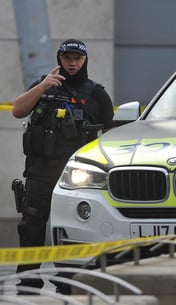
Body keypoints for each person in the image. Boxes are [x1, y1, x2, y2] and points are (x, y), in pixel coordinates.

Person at [12, 39, 114, 294]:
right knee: (30, 229)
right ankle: (29, 286)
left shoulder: (96, 93)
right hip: (41, 172)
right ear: (60, 59)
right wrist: (43, 86)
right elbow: (17, 110)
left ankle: (67, 285)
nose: (72, 63)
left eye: (77, 59)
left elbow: (112, 134)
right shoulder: (44, 87)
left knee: (72, 229)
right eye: (67, 58)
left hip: (77, 177)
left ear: (84, 61)